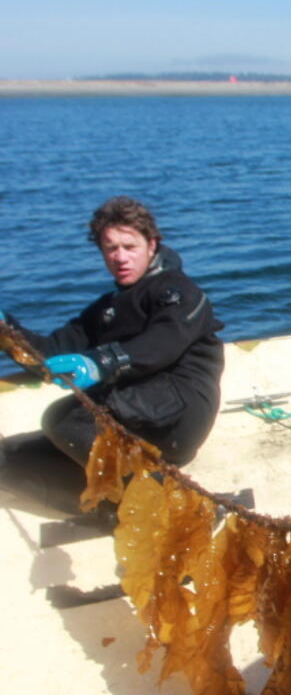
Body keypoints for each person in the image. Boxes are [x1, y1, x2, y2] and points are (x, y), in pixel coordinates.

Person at [1, 196, 225, 510]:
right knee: (12, 457)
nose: (120, 257)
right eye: (110, 248)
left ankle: (169, 505)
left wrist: (103, 362)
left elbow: (163, 342)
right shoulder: (106, 309)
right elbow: (50, 352)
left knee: (65, 419)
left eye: (129, 247)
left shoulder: (178, 291)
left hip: (178, 411)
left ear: (152, 244)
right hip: (133, 412)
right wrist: (7, 332)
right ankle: (110, 510)